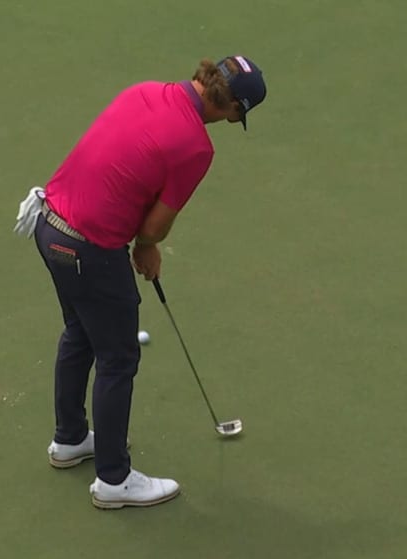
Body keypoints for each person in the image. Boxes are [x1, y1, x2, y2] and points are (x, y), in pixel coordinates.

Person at [14, 56, 267, 509]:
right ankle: (114, 479)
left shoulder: (145, 90)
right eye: (236, 116)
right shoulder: (196, 147)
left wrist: (140, 241)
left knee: (80, 334)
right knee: (118, 358)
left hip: (47, 226)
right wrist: (147, 248)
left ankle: (70, 439)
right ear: (232, 107)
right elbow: (157, 223)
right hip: (89, 249)